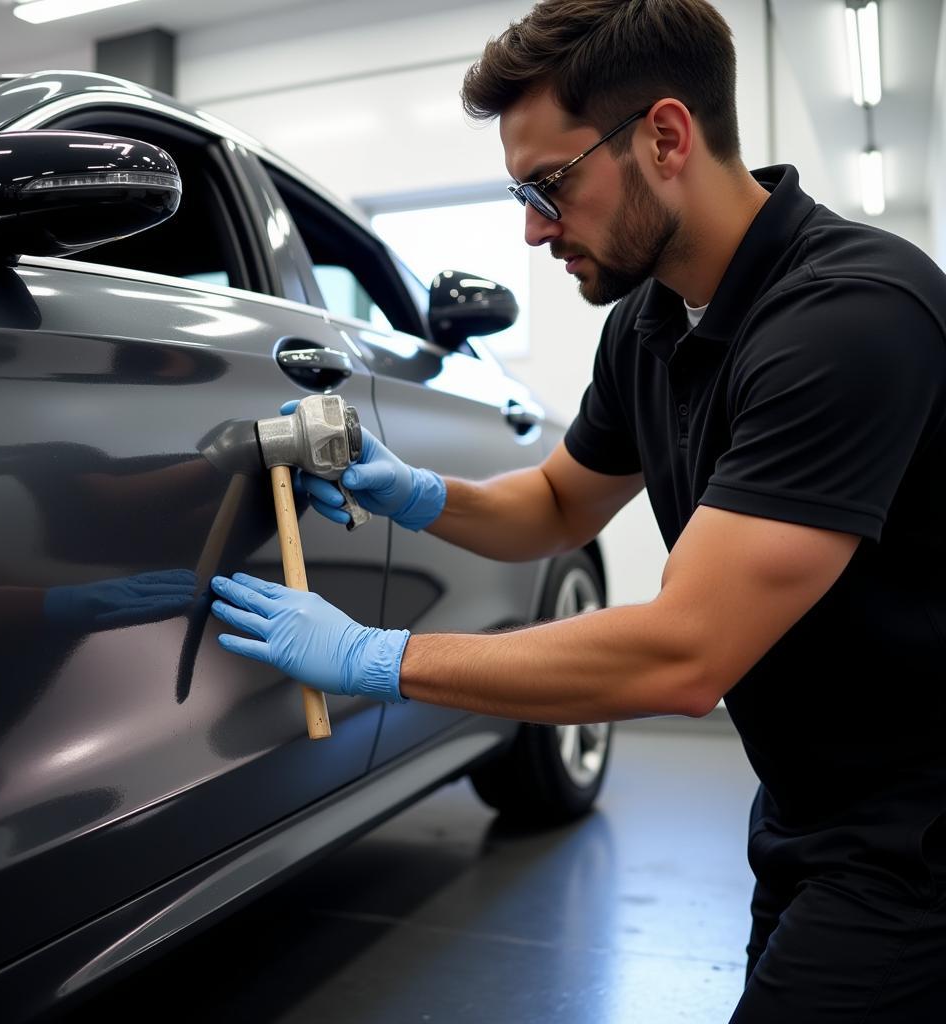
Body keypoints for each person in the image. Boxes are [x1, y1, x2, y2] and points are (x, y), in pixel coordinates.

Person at [209, 0, 946, 1018]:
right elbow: (558, 504)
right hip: (807, 805)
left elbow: (683, 656)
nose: (531, 227)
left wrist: (380, 659)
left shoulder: (851, 318)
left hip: (919, 821)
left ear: (665, 137)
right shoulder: (647, 324)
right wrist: (417, 495)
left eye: (551, 185)